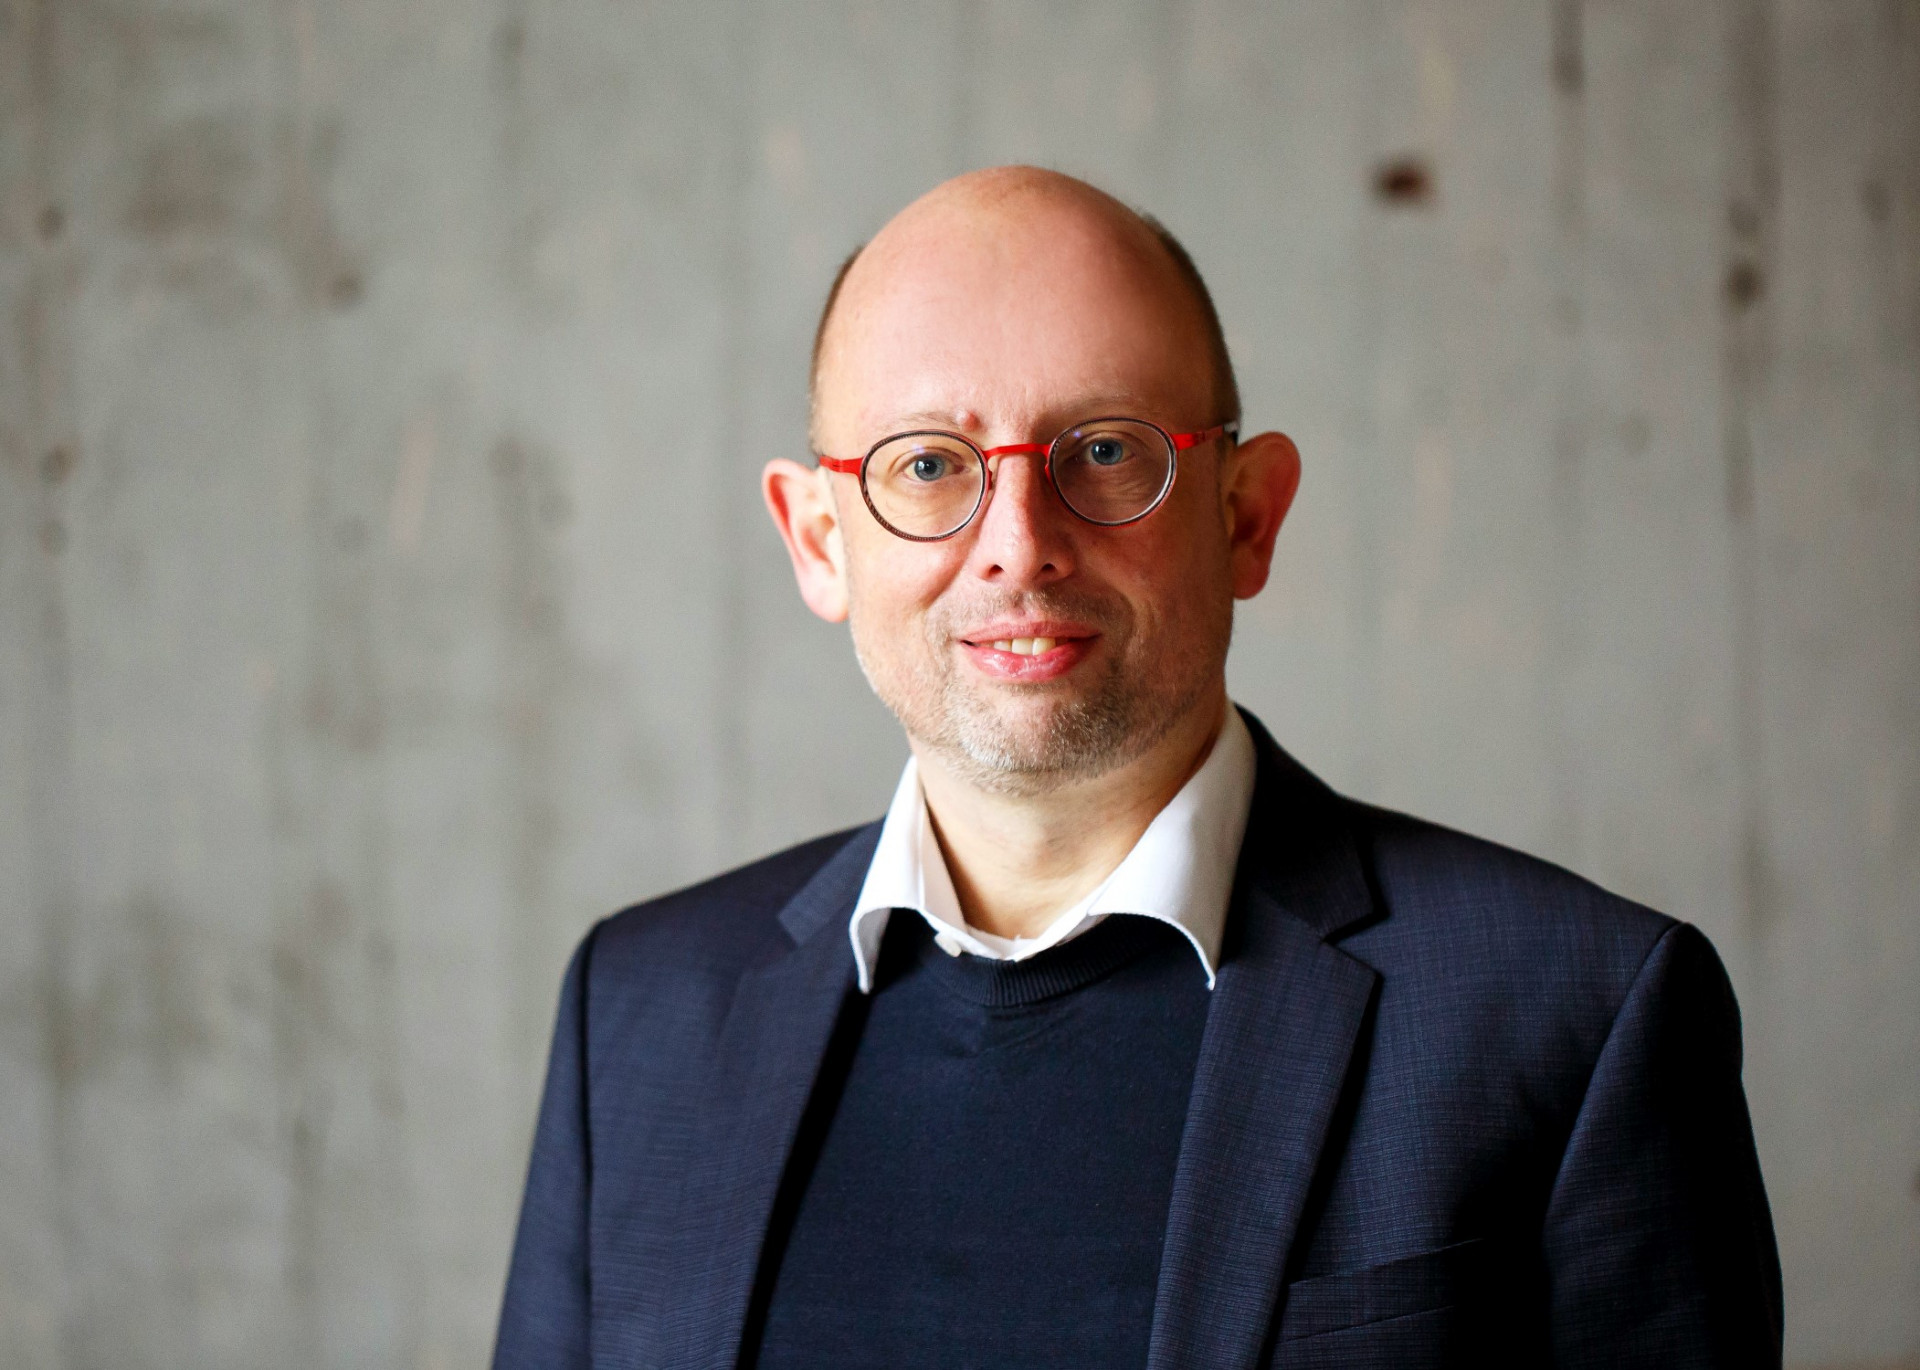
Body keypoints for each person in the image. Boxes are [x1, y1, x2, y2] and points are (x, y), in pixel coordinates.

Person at [493, 166, 1782, 1369]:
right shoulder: (638, 1015)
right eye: (928, 465)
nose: (1019, 545)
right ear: (819, 539)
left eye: (1106, 451)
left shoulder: (1575, 1013)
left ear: (1246, 515)